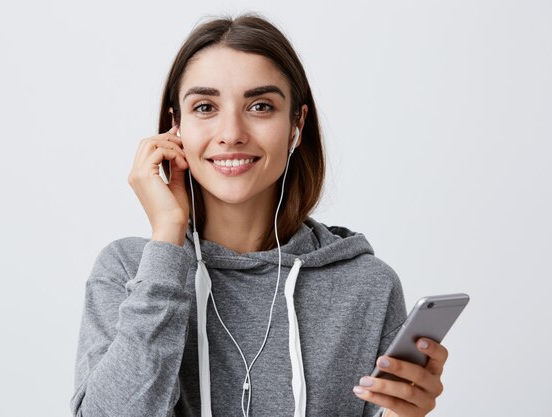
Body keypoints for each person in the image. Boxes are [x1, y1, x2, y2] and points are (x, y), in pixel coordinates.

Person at [70, 13, 448, 417]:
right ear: (174, 126)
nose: (231, 132)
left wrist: (404, 415)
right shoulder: (129, 270)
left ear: (296, 126)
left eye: (260, 106)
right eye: (204, 106)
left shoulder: (367, 286)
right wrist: (167, 238)